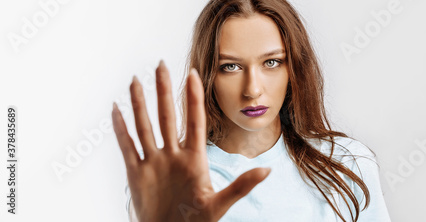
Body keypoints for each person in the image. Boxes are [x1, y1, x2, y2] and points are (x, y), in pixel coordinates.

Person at [112, 0, 391, 221]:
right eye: (230, 66)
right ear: (208, 75)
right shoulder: (172, 178)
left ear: (294, 68)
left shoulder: (345, 164)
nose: (253, 90)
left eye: (271, 63)